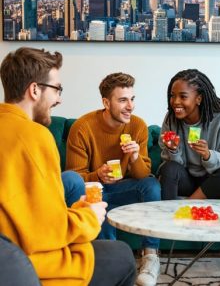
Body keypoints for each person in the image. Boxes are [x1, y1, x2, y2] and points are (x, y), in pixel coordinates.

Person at [0, 47, 136, 285]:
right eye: (57, 89)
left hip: (11, 251)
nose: (59, 99)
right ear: (34, 89)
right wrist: (88, 217)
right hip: (34, 264)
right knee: (123, 256)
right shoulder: (34, 137)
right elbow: (47, 231)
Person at [66, 72, 161, 286]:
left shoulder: (137, 126)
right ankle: (113, 266)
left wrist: (136, 157)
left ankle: (150, 256)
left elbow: (143, 175)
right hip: (93, 191)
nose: (130, 106)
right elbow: (74, 177)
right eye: (123, 100)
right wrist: (97, 175)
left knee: (151, 186)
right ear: (106, 102)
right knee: (98, 205)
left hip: (123, 189)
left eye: (132, 99)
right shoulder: (82, 127)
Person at [159, 69, 220, 200]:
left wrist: (208, 155)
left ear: (198, 99)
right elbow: (172, 165)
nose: (175, 102)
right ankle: (168, 212)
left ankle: (188, 204)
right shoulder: (171, 119)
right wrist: (173, 150)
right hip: (185, 179)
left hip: (210, 181)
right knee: (169, 168)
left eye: (183, 96)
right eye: (172, 96)